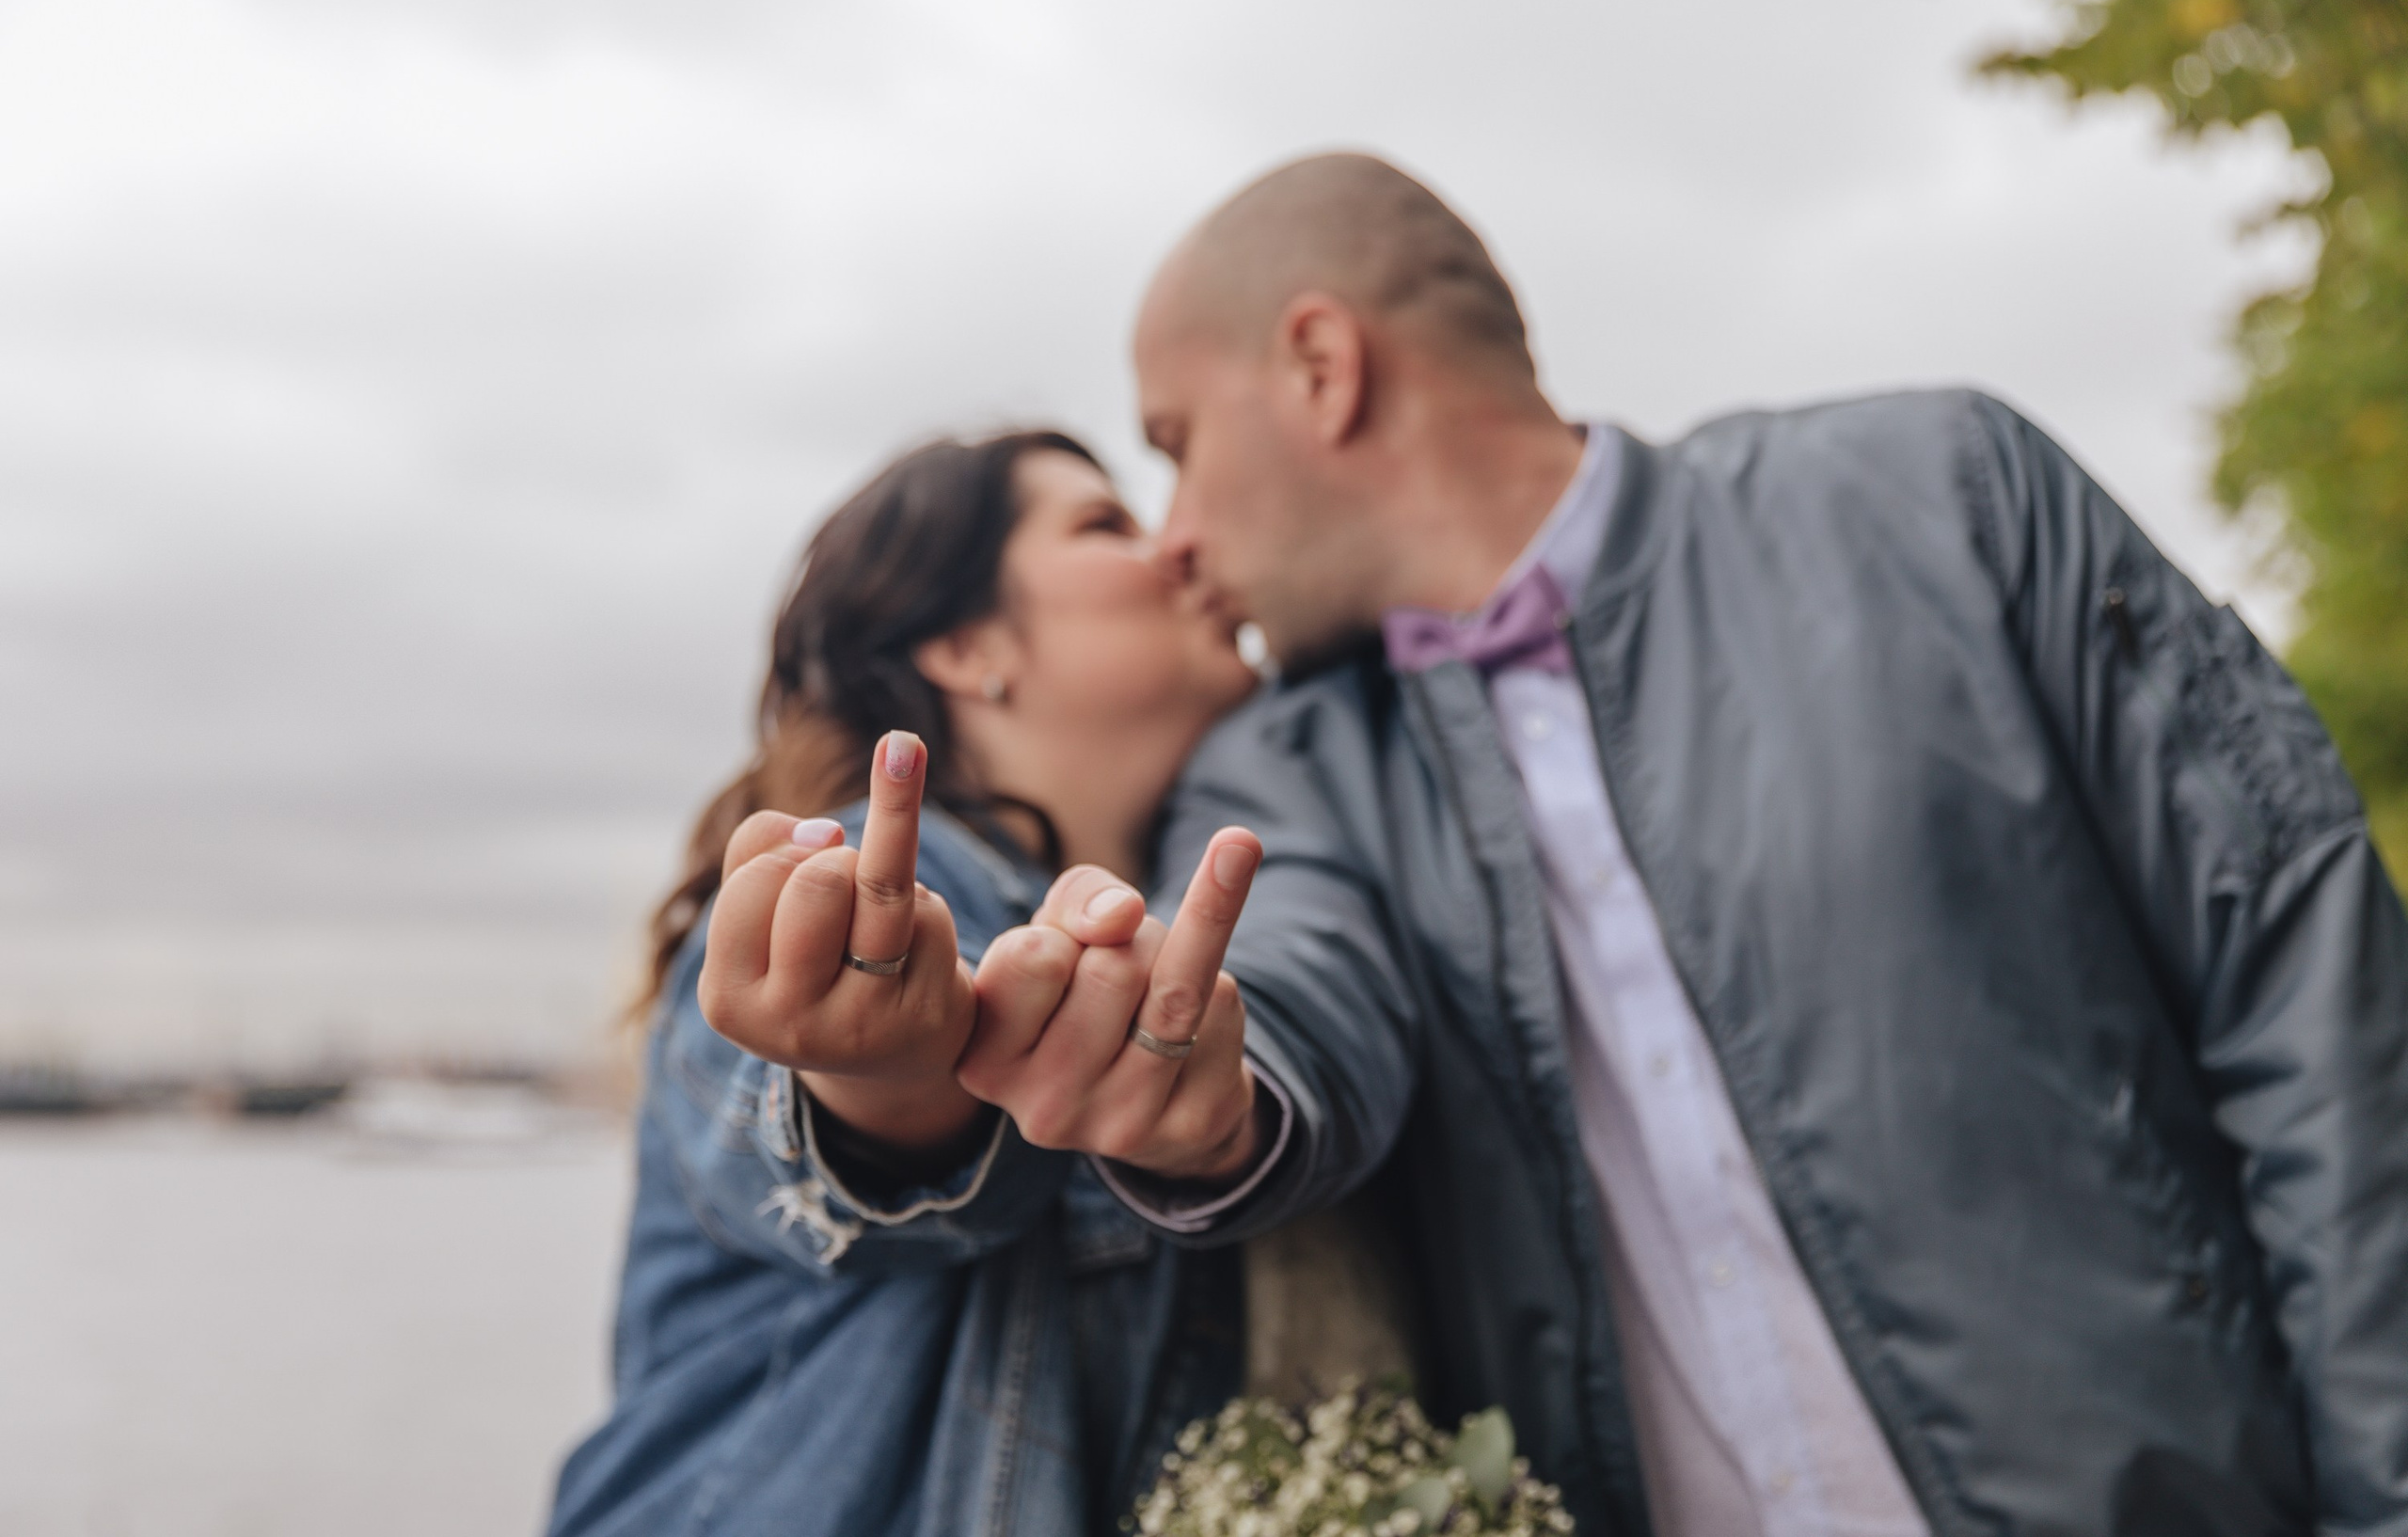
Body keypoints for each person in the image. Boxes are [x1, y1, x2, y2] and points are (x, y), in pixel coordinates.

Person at [913, 154, 2408, 1534]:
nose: (1173, 533)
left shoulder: (1946, 498)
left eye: (1176, 442)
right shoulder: (1283, 765)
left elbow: (2310, 995)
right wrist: (1209, 1091)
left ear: (1322, 366)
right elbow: (1297, 987)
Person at [545, 430, 1267, 1537]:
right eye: (1105, 523)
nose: (1177, 547)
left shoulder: (1158, 919)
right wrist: (882, 1081)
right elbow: (812, 1134)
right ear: (973, 646)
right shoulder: (842, 884)